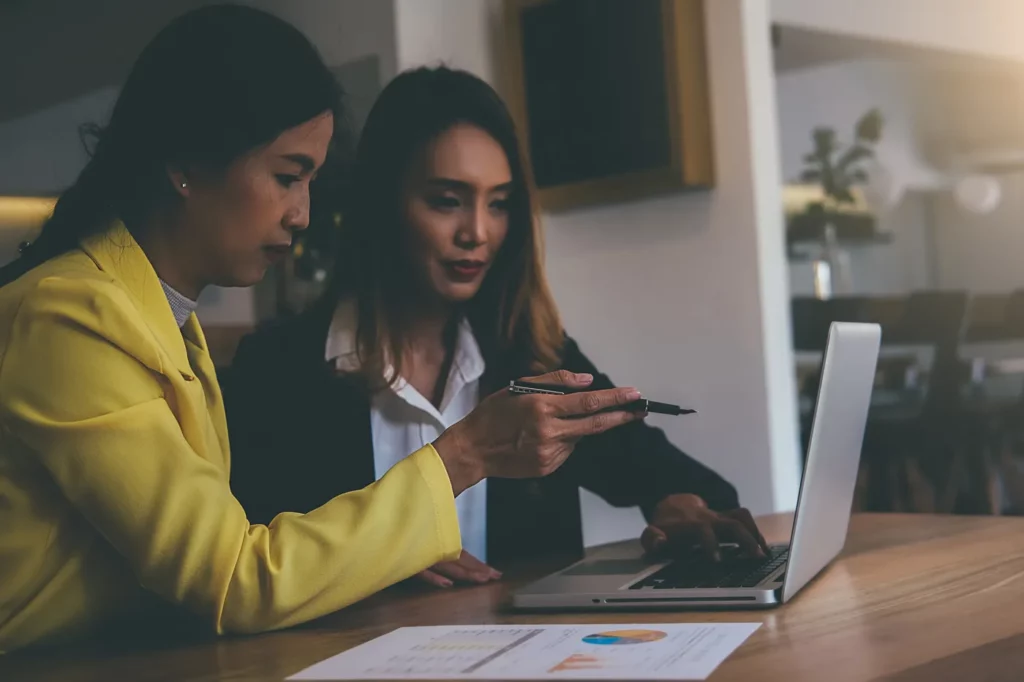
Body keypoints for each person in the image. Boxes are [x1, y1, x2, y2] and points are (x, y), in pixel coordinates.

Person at [0, 8, 643, 654]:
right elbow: (233, 577)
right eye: (287, 177)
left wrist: (378, 550)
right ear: (187, 164)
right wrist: (462, 456)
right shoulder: (72, 317)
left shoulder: (164, 323)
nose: (303, 214)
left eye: (311, 181)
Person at [226, 66, 766, 590]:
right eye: (446, 202)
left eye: (500, 204)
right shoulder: (278, 370)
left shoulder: (532, 357)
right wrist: (369, 558)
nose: (478, 233)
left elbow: (677, 477)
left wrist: (677, 505)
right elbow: (244, 566)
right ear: (383, 202)